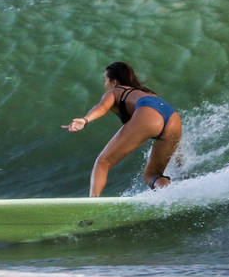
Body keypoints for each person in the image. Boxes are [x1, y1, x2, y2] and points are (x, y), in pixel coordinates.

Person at [63, 62, 182, 197]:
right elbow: (161, 115)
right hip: (173, 118)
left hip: (148, 113)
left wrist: (85, 120)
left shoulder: (115, 91)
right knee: (153, 175)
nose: (105, 85)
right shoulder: (146, 92)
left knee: (102, 162)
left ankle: (92, 204)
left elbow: (102, 107)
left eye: (105, 80)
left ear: (114, 82)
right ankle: (173, 194)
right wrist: (179, 159)